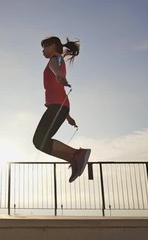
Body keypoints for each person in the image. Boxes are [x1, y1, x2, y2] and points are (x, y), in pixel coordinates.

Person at [33, 36, 91, 183]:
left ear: (53, 45)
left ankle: (78, 155)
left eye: (44, 46)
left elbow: (55, 66)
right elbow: (60, 92)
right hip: (59, 107)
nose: (42, 51)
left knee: (39, 140)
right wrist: (68, 117)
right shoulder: (57, 59)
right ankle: (74, 159)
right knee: (39, 142)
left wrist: (58, 74)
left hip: (58, 106)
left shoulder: (56, 58)